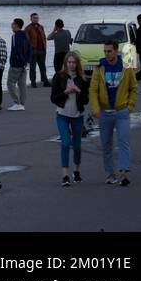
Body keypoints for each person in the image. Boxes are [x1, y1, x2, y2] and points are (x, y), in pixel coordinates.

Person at [90, 39, 138, 186]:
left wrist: (129, 106)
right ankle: (110, 174)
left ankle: (123, 173)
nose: (106, 53)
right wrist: (96, 108)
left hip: (121, 111)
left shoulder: (126, 67)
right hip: (105, 113)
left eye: (109, 51)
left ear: (116, 51)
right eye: (105, 51)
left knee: (123, 141)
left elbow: (133, 87)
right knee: (106, 144)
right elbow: (93, 89)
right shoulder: (99, 67)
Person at [51, 51, 89, 186]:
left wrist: (78, 90)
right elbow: (53, 98)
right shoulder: (58, 77)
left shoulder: (82, 78)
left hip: (77, 116)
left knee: (77, 146)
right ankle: (65, 175)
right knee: (66, 143)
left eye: (74, 62)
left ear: (77, 64)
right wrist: (66, 92)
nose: (71, 65)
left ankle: (76, 171)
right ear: (65, 63)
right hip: (62, 115)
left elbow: (86, 100)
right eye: (69, 62)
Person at [7, 18, 31, 110]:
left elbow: (17, 50)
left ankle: (17, 103)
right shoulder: (25, 34)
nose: (11, 25)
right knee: (22, 84)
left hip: (16, 63)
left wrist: (19, 61)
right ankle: (22, 104)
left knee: (10, 83)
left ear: (16, 25)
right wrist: (27, 61)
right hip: (24, 63)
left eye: (13, 24)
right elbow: (29, 48)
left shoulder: (15, 36)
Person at [27, 12, 49, 87]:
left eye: (37, 18)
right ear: (31, 19)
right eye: (34, 18)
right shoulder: (28, 28)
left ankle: (45, 81)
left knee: (43, 67)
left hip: (42, 50)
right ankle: (33, 82)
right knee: (32, 68)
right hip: (33, 51)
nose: (36, 19)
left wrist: (45, 48)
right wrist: (30, 49)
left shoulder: (41, 27)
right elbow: (26, 41)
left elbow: (44, 37)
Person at [48, 18, 73, 84]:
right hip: (67, 53)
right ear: (63, 25)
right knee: (66, 68)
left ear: (56, 26)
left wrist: (54, 30)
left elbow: (48, 38)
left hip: (58, 53)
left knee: (57, 69)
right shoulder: (68, 32)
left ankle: (59, 81)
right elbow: (70, 40)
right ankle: (67, 80)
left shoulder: (55, 34)